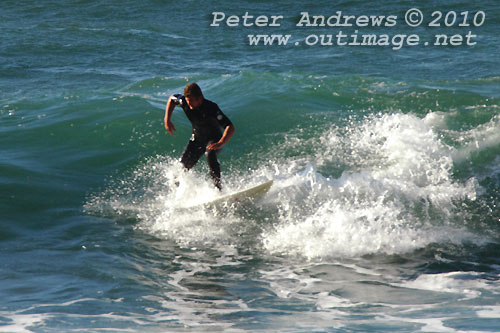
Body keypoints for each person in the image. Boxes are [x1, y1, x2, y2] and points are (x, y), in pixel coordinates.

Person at [164, 83, 235, 190]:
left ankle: (219, 189)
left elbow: (230, 126)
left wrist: (221, 142)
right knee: (181, 168)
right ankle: (178, 195)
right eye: (188, 101)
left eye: (192, 101)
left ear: (200, 98)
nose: (190, 105)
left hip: (214, 138)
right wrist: (167, 120)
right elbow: (172, 99)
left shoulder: (211, 108)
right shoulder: (184, 102)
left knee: (209, 153)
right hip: (197, 138)